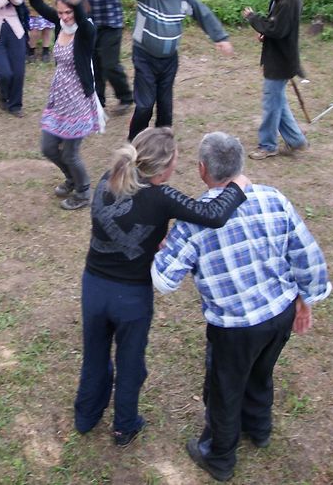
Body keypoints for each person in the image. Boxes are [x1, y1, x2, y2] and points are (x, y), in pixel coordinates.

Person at [153, 132, 331, 482]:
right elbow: (306, 254)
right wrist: (306, 299)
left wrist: (164, 249)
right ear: (240, 165)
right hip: (279, 314)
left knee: (225, 389)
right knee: (261, 373)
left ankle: (219, 456)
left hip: (234, 328)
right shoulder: (273, 198)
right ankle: (259, 429)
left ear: (203, 169)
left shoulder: (193, 220)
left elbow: (164, 281)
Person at [75, 127, 248, 447]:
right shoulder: (162, 196)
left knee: (94, 355)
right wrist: (238, 187)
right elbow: (212, 214)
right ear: (165, 168)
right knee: (130, 363)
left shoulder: (106, 178)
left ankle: (86, 416)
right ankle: (124, 426)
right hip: (132, 298)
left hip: (94, 287)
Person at [127, 0, 233, 141]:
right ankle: (133, 143)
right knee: (145, 105)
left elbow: (203, 14)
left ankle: (162, 144)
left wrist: (220, 37)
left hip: (168, 61)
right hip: (144, 56)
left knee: (165, 107)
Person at [23, 0, 102, 209]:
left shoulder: (85, 30)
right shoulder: (60, 24)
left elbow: (81, 20)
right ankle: (70, 178)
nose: (64, 17)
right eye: (60, 12)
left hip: (79, 96)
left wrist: (77, 2)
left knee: (70, 152)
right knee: (48, 147)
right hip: (59, 95)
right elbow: (36, 1)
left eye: (68, 12)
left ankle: (83, 191)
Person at [243, 0, 308, 160]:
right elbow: (277, 25)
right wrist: (267, 33)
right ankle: (297, 141)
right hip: (277, 56)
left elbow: (277, 29)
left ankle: (267, 145)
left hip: (281, 60)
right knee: (278, 101)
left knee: (272, 104)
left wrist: (254, 19)